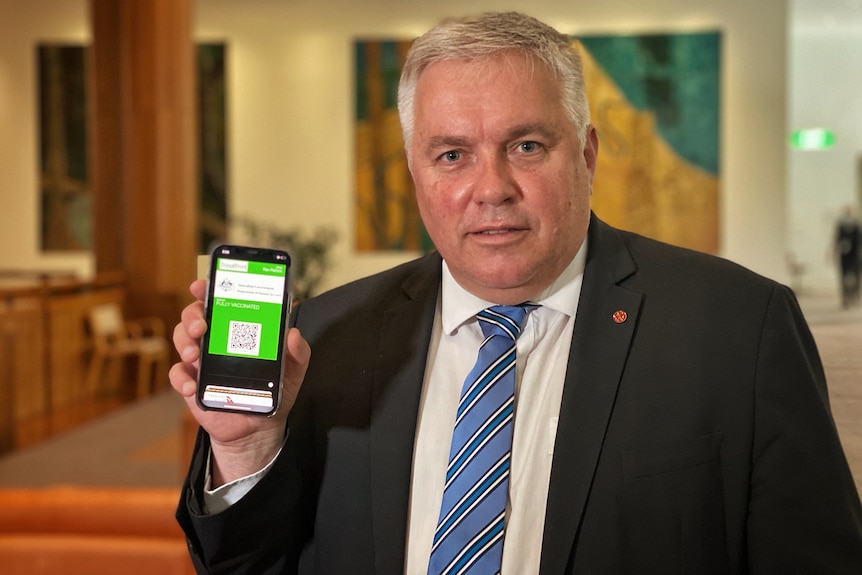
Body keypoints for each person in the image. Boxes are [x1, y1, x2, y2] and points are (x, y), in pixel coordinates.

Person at [170, 11, 862, 574]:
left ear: (587, 155)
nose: (492, 187)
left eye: (527, 145)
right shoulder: (326, 336)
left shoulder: (742, 328)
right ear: (416, 176)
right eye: (452, 154)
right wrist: (249, 449)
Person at [836, 205, 861, 308]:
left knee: (855, 276)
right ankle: (845, 296)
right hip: (844, 255)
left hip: (854, 255)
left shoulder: (856, 226)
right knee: (844, 276)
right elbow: (837, 239)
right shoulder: (841, 226)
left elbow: (859, 241)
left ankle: (854, 294)